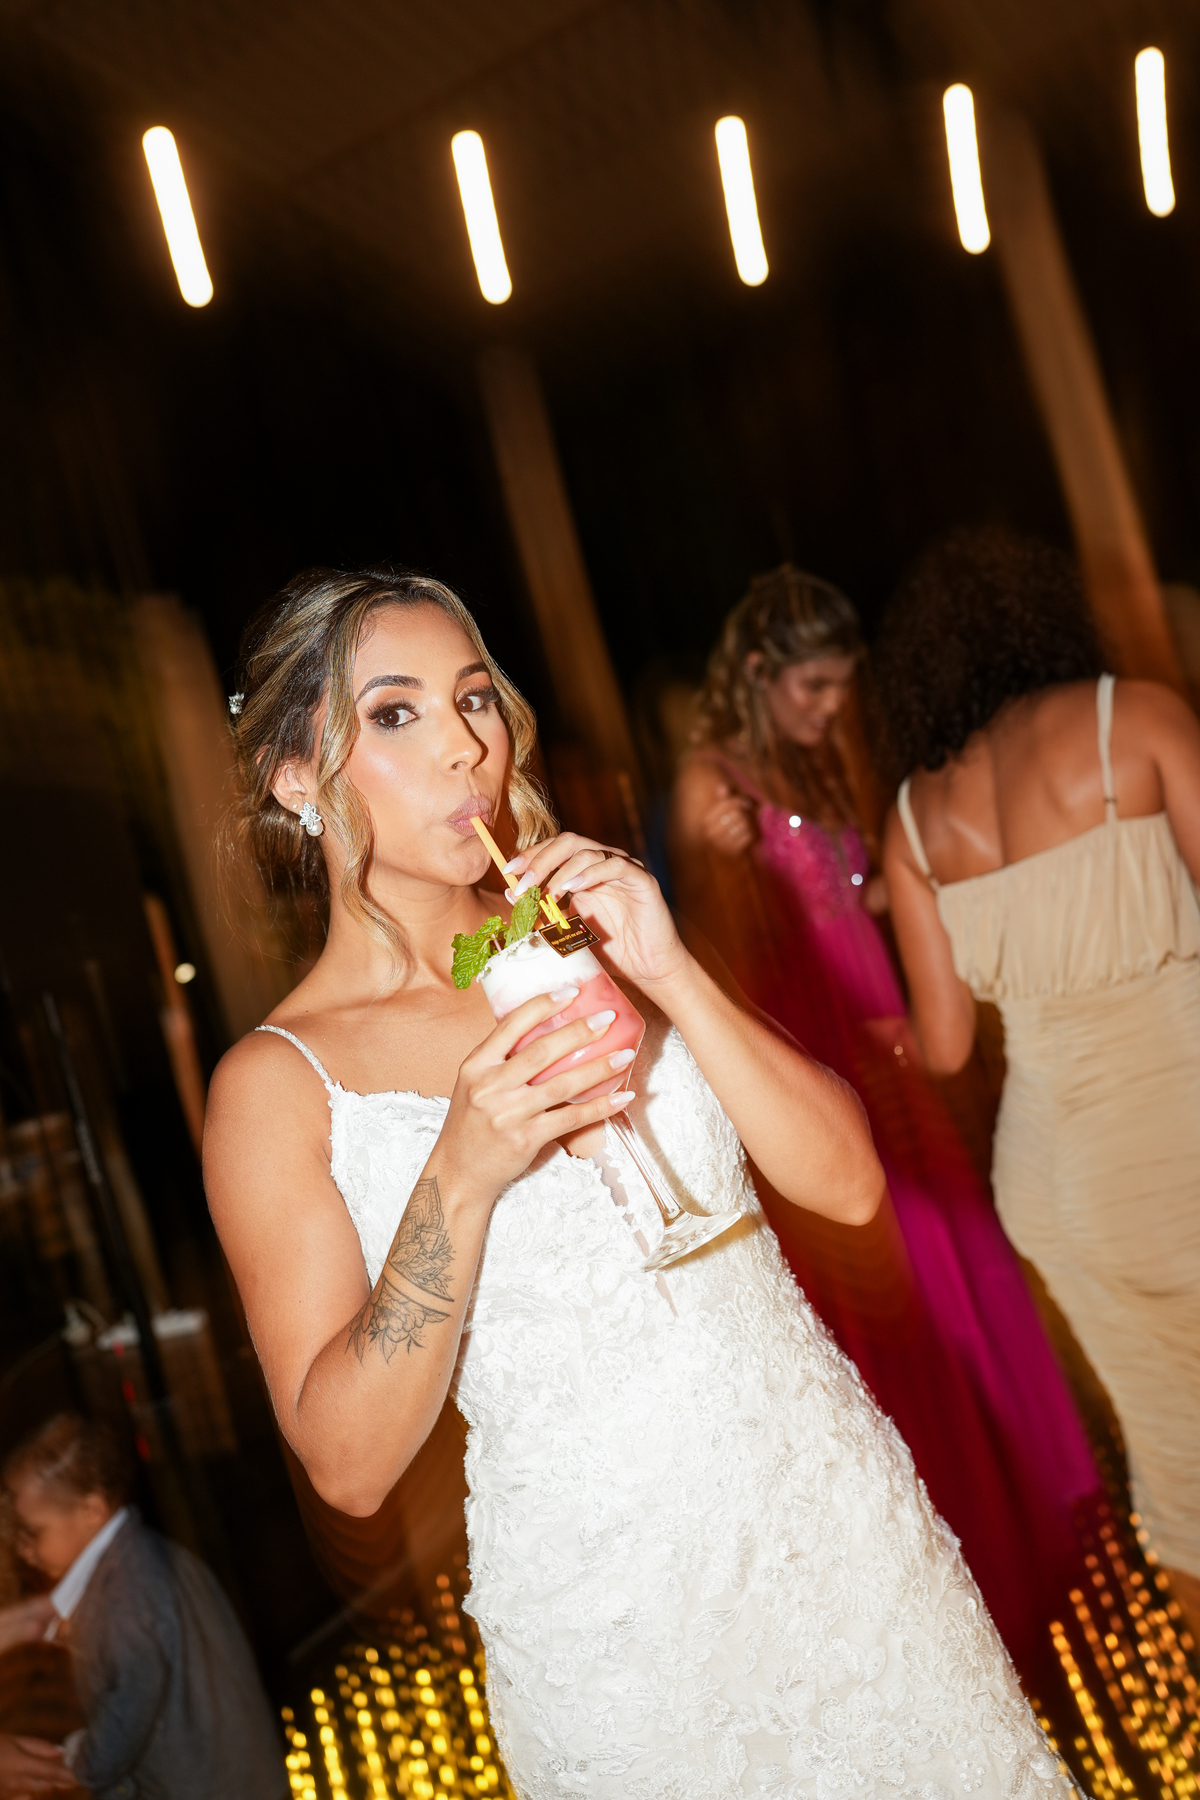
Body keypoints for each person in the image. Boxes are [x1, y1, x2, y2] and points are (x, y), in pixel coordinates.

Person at [203, 564, 1072, 1797]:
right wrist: (461, 1174)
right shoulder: (279, 1084)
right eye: (397, 713)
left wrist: (670, 969)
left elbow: (847, 1182)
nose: (464, 746)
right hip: (621, 1626)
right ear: (299, 779)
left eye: (475, 699)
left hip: (838, 1530)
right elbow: (347, 1462)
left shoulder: (587, 927)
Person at [667, 565, 1104, 1677]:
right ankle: (952, 1519)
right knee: (894, 1278)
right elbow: (710, 949)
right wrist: (727, 865)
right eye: (811, 686)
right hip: (812, 1053)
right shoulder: (712, 781)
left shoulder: (819, 760)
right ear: (758, 674)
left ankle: (1026, 1491)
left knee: (957, 1254)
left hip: (884, 1046)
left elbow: (854, 889)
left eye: (839, 686)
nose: (830, 706)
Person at [878, 527, 1200, 1637]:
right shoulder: (1135, 717)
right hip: (1174, 1129)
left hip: (1053, 1183)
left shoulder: (914, 817)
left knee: (1176, 1464)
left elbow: (947, 1045)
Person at [3, 1414, 286, 1800]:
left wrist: (86, 1763)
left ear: (91, 1511)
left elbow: (131, 1699)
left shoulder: (129, 1591)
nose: (23, 1550)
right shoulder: (144, 1558)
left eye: (33, 1533)